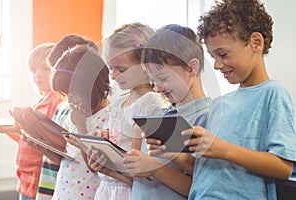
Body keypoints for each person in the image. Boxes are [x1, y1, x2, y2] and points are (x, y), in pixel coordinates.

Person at [178, 0, 296, 199]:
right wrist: (170, 152)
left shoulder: (273, 94)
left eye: (222, 54)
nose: (216, 65)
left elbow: (283, 167)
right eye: (213, 56)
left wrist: (222, 149)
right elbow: (203, 170)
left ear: (256, 42)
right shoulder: (219, 105)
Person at [122, 24, 210, 199]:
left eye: (163, 78)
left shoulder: (206, 117)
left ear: (191, 68)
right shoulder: (160, 117)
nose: (157, 88)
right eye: (153, 80)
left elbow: (203, 188)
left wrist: (156, 169)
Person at [85, 22, 167, 200]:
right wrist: (104, 136)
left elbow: (147, 162)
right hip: (108, 188)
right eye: (111, 69)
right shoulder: (121, 102)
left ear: (146, 65)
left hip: (127, 191)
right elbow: (123, 135)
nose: (113, 76)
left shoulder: (151, 102)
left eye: (121, 69)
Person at [35, 34, 99, 200]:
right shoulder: (64, 106)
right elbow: (65, 151)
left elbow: (95, 165)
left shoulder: (101, 115)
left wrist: (81, 128)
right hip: (60, 185)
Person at [2, 43, 64, 200]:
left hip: (38, 178)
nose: (38, 75)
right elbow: (27, 138)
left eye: (45, 69)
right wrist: (12, 129)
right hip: (26, 178)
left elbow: (46, 140)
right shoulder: (40, 102)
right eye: (34, 70)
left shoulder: (54, 101)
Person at [48, 44, 111, 200]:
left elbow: (98, 168)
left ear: (93, 86)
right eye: (65, 94)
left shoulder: (110, 117)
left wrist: (81, 128)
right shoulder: (74, 114)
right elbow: (68, 157)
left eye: (73, 93)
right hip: (63, 192)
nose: (69, 100)